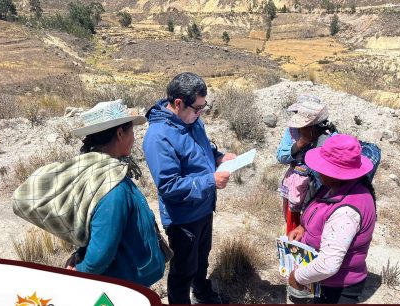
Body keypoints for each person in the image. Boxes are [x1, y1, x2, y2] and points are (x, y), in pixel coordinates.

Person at [13, 99, 165, 287]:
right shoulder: (112, 187)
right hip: (122, 283)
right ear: (119, 133)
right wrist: (81, 273)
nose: (134, 137)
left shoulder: (96, 172)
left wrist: (78, 255)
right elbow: (101, 253)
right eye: (131, 131)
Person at [143, 72, 235, 304]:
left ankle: (203, 293)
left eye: (203, 108)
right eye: (197, 108)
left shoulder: (192, 120)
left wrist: (219, 157)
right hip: (183, 218)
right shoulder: (158, 136)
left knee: (201, 260)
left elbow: (201, 151)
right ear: (178, 103)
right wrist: (210, 181)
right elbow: (168, 185)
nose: (200, 113)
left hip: (203, 208)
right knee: (183, 270)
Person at [287, 134, 377, 304]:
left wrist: (296, 277)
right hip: (324, 280)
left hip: (335, 288)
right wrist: (303, 228)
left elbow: (328, 264)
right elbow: (322, 213)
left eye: (324, 167)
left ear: (337, 173)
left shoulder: (346, 212)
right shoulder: (336, 188)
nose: (319, 170)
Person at [276, 94, 380, 234]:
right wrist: (301, 143)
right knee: (294, 225)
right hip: (295, 187)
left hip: (317, 190)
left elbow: (333, 173)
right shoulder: (292, 132)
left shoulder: (330, 138)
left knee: (314, 223)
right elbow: (281, 156)